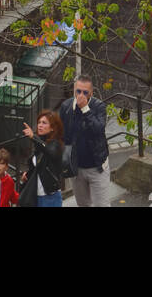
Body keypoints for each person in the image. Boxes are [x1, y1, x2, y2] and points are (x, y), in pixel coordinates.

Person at [59, 76, 109, 208]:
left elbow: (98, 129)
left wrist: (86, 109)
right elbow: (61, 134)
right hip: (76, 167)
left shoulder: (99, 107)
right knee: (83, 204)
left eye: (85, 92)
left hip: (96, 166)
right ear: (74, 91)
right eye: (78, 91)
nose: (81, 95)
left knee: (102, 204)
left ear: (91, 93)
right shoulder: (66, 107)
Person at [20, 110, 65, 208]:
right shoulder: (39, 145)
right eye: (39, 122)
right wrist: (27, 174)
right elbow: (38, 166)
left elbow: (50, 152)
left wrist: (34, 137)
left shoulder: (55, 144)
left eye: (44, 123)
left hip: (50, 197)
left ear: (52, 128)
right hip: (36, 195)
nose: (40, 125)